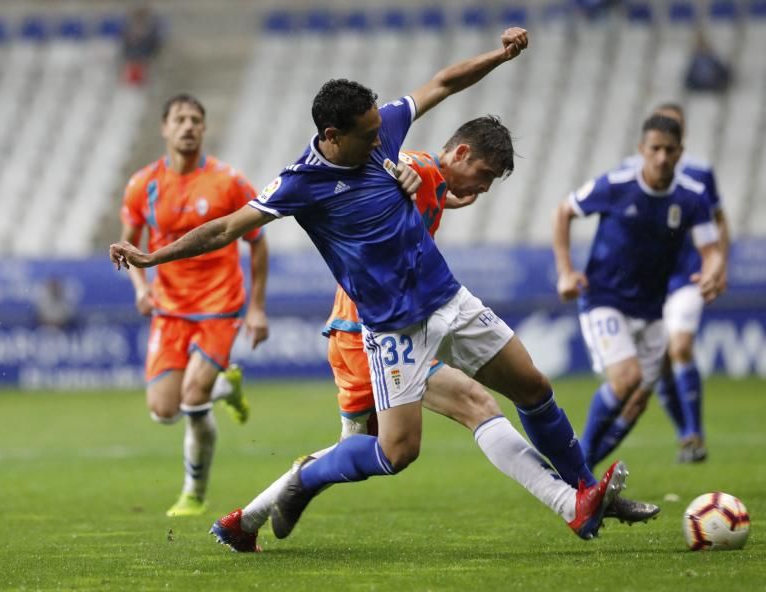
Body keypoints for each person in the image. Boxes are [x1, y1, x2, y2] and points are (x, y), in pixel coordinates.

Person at [111, 28, 646, 543]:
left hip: (447, 299)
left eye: (378, 130)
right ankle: (301, 482)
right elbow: (227, 228)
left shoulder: (382, 133)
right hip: (391, 329)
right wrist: (154, 256)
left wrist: (498, 57)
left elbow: (441, 83)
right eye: (367, 136)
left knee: (533, 387)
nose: (380, 141)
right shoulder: (300, 184)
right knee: (394, 452)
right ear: (331, 137)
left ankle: (583, 494)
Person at [208, 117, 660, 552]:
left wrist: (442, 193)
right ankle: (577, 499)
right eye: (483, 175)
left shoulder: (433, 184)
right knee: (424, 431)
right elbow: (392, 164)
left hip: (377, 326)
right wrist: (402, 170)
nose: (483, 189)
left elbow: (415, 195)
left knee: (382, 441)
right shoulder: (416, 169)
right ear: (460, 152)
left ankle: (248, 519)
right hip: (370, 332)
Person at [118, 94, 270, 517]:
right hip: (169, 308)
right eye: (180, 119)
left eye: (196, 120)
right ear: (164, 128)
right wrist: (140, 287)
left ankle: (193, 493)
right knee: (164, 411)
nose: (188, 126)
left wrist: (256, 307)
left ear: (204, 129)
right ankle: (227, 386)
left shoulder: (229, 182)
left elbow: (257, 243)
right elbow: (128, 245)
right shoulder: (142, 184)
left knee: (193, 397)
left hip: (220, 306)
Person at [552, 114, 726, 471]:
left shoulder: (692, 197)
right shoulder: (616, 185)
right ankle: (579, 468)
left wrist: (713, 273)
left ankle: (578, 481)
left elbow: (711, 249)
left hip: (651, 309)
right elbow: (564, 211)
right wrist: (566, 272)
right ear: (641, 150)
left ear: (681, 153)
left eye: (670, 150)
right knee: (626, 379)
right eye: (655, 149)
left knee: (636, 401)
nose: (662, 157)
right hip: (604, 299)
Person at [621, 103, 730, 463]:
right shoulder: (628, 173)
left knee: (679, 347)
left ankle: (694, 433)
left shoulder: (700, 172)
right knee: (660, 361)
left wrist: (718, 264)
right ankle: (686, 436)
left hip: (687, 274)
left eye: (675, 133)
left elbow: (717, 220)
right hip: (647, 282)